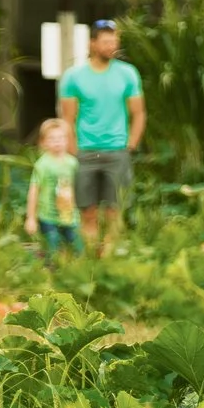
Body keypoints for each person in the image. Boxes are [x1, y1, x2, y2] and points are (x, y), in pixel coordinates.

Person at [58, 19, 144, 256]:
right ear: (92, 43)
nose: (111, 45)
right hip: (85, 151)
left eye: (114, 40)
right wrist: (73, 150)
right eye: (105, 41)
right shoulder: (73, 77)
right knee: (87, 210)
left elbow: (138, 113)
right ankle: (89, 259)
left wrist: (131, 145)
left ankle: (109, 260)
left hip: (117, 151)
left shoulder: (128, 74)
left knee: (115, 210)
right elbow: (68, 118)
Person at [23, 118, 81, 259]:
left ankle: (77, 271)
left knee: (78, 247)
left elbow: (79, 188)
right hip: (48, 216)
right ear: (44, 142)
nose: (57, 142)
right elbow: (34, 191)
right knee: (52, 246)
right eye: (52, 138)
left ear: (68, 140)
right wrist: (31, 217)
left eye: (61, 138)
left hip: (70, 216)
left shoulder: (73, 163)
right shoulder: (42, 164)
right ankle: (51, 272)